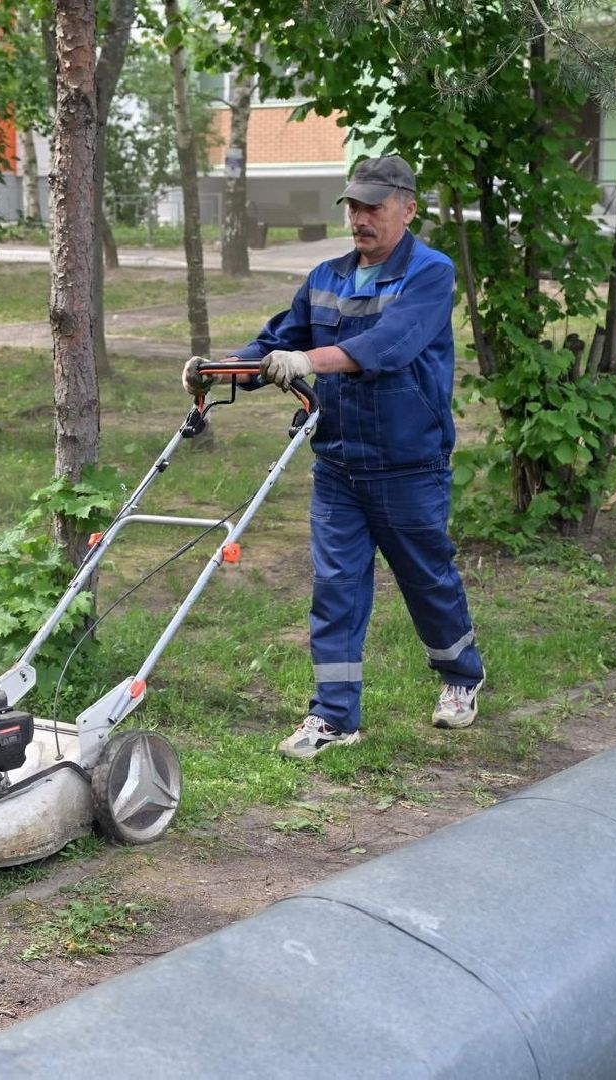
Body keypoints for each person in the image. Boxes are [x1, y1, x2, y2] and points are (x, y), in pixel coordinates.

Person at [182, 155, 485, 759]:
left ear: (407, 207)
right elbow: (278, 340)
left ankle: (459, 676)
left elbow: (388, 345)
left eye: (374, 206)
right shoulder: (326, 275)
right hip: (339, 461)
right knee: (336, 587)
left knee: (426, 577)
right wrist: (218, 367)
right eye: (353, 206)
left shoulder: (430, 272)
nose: (361, 218)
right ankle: (334, 717)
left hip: (408, 460)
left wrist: (310, 361)